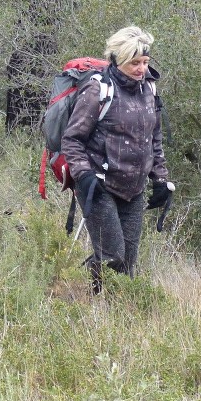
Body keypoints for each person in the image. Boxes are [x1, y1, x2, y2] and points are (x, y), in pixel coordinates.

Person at [61, 26, 172, 293]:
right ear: (118, 59)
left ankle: (112, 311)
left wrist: (161, 179)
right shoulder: (98, 90)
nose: (141, 69)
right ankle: (82, 291)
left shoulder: (150, 91)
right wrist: (84, 177)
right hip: (98, 187)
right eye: (134, 63)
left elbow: (154, 140)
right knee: (113, 255)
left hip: (134, 189)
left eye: (145, 62)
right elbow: (72, 140)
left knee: (127, 265)